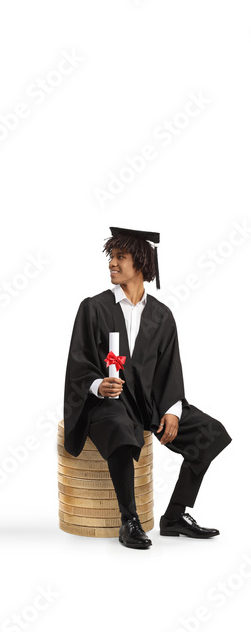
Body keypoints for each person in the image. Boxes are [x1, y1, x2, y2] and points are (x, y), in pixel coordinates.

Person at [62, 227, 231, 549]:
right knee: (121, 430)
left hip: (150, 403)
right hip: (107, 404)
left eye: (120, 257)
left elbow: (170, 370)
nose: (112, 263)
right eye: (111, 257)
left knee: (212, 434)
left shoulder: (161, 315)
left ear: (140, 262)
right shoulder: (94, 308)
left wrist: (172, 411)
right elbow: (79, 362)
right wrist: (99, 384)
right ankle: (130, 521)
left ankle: (174, 517)